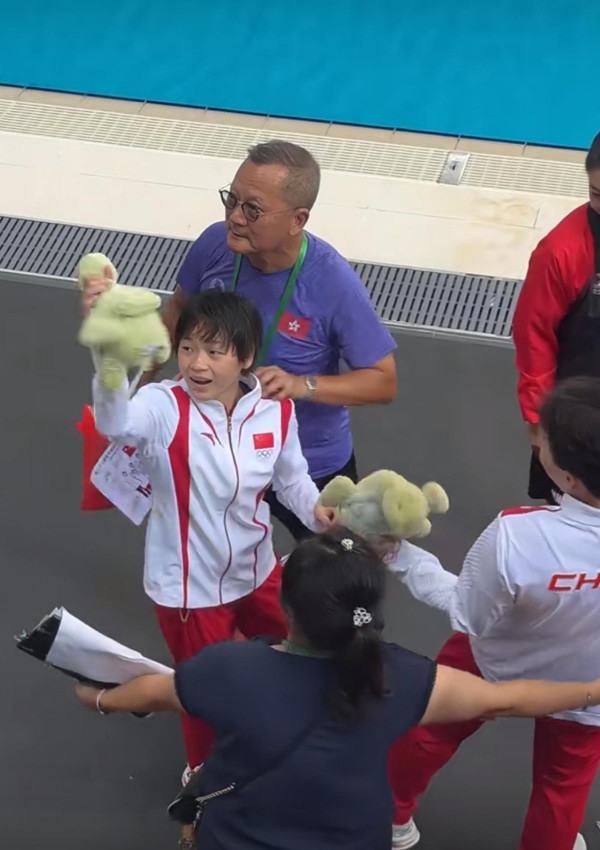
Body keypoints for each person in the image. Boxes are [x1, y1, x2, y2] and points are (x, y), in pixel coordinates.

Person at [75, 527, 600, 850]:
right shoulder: (404, 679)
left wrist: (100, 698)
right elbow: (508, 699)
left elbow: (151, 693)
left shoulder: (227, 669)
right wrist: (589, 693)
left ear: (286, 607)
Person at [89, 291, 335, 793]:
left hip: (260, 570)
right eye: (187, 348)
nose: (197, 364)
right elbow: (113, 423)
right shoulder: (163, 406)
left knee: (301, 655)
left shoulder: (273, 410)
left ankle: (295, 739)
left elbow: (291, 480)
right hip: (189, 590)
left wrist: (317, 511)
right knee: (204, 692)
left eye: (215, 351)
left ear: (245, 358)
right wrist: (110, 360)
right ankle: (203, 780)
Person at [386, 377, 600, 850]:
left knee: (428, 735)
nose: (535, 436)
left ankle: (390, 818)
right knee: (563, 788)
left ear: (567, 477)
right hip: (591, 692)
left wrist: (400, 556)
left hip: (494, 665)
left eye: (545, 438)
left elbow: (470, 616)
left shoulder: (516, 534)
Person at [163, 139, 396, 539]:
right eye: (231, 200)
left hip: (308, 461)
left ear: (297, 219)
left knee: (336, 582)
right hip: (221, 452)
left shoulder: (332, 283)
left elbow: (383, 380)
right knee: (220, 570)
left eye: (252, 209)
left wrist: (299, 385)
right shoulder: (213, 245)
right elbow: (176, 312)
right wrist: (140, 376)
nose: (235, 218)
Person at [513, 130, 600, 504]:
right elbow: (534, 339)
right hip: (575, 423)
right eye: (597, 195)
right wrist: (537, 420)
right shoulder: (560, 251)